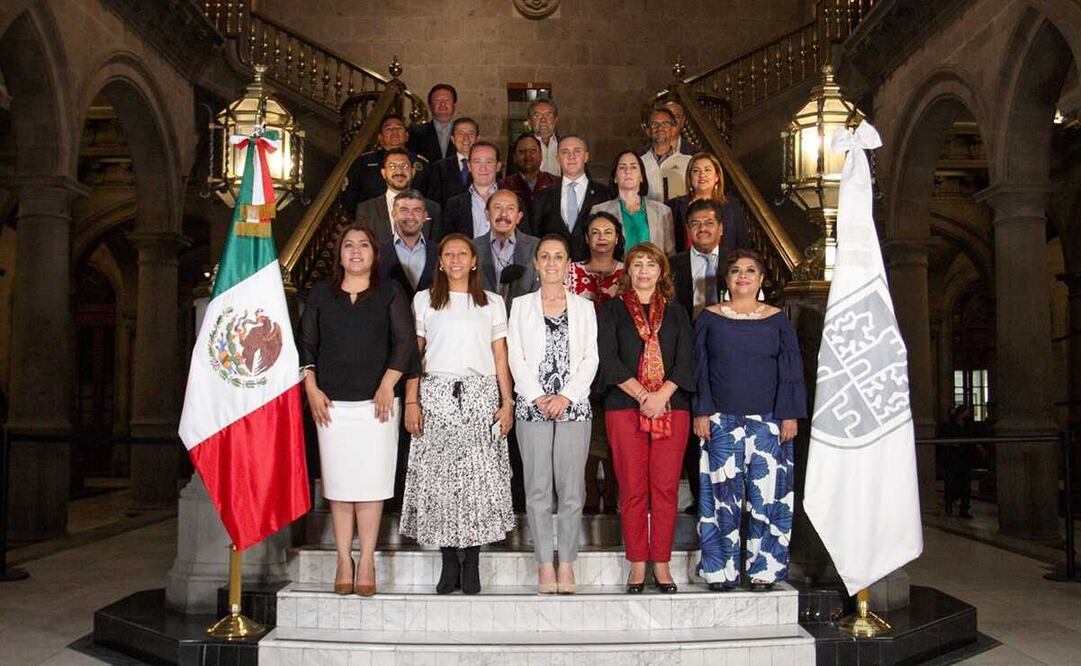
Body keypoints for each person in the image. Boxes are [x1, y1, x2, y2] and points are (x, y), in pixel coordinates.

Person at [299, 221, 419, 596]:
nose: (355, 251)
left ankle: (365, 559)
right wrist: (311, 388)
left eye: (363, 245)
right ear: (339, 254)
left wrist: (387, 384)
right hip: (331, 405)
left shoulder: (390, 293)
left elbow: (404, 344)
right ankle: (342, 558)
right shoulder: (321, 293)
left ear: (374, 253)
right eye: (348, 245)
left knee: (370, 486)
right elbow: (306, 344)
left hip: (377, 405)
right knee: (339, 486)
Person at [400, 234, 516, 595]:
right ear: (439, 261)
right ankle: (449, 561)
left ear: (473, 261)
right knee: (442, 482)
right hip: (436, 393)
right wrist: (411, 400)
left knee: (478, 482)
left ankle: (473, 562)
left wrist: (507, 401)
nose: (454, 260)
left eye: (461, 254)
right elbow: (414, 355)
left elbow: (500, 357)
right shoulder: (424, 301)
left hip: (481, 395)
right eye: (448, 254)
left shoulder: (492, 303)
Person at [693, 249, 806, 592]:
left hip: (769, 424)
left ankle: (765, 569)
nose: (743, 276)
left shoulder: (777, 319)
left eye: (750, 270)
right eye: (736, 271)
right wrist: (701, 411)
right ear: (726, 280)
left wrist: (789, 414)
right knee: (719, 499)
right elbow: (699, 369)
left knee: (769, 500)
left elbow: (790, 369)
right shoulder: (708, 318)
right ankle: (720, 571)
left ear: (760, 279)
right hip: (720, 422)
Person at [598, 242, 694, 594]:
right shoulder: (611, 310)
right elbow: (608, 360)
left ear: (661, 271)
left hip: (672, 404)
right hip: (625, 406)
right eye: (637, 264)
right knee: (633, 488)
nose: (643, 270)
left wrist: (660, 396)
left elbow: (686, 361)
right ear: (628, 270)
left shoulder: (677, 312)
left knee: (666, 488)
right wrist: (642, 396)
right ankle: (637, 563)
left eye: (650, 264)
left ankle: (662, 564)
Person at [508, 234, 598, 594]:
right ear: (535, 262)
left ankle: (567, 564)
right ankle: (545, 564)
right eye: (544, 256)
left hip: (574, 408)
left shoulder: (584, 307)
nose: (550, 263)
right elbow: (515, 356)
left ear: (567, 264)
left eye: (558, 257)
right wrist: (538, 395)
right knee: (538, 488)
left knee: (572, 489)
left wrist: (566, 396)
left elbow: (591, 357)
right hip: (533, 407)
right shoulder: (520, 306)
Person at [564, 211, 625, 515]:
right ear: (586, 238)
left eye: (608, 232)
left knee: (616, 426)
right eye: (595, 232)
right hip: (579, 360)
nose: (602, 238)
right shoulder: (571, 272)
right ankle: (588, 491)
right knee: (583, 427)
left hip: (619, 362)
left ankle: (613, 491)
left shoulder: (629, 273)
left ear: (618, 237)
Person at [670, 198, 726, 515]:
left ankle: (724, 491)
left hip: (727, 357)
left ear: (720, 228)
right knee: (691, 425)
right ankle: (696, 495)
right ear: (687, 230)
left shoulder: (738, 263)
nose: (702, 229)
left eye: (708, 223)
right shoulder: (673, 264)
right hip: (685, 355)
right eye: (695, 224)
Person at [531, 135, 608, 262]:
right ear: (558, 159)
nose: (571, 156)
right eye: (565, 152)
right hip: (554, 272)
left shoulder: (604, 194)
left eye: (577, 151)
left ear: (586, 157)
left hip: (594, 272)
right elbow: (535, 238)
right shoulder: (542, 197)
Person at [590, 150, 675, 255]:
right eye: (622, 167)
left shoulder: (662, 211)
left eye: (633, 167)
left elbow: (670, 253)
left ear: (642, 176)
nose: (628, 171)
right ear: (615, 177)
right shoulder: (599, 211)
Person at [666, 152, 751, 253]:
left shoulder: (732, 206)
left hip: (725, 265)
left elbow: (743, 244)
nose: (702, 175)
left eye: (707, 170)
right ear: (690, 178)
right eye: (696, 171)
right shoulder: (674, 207)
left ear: (717, 177)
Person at [342, 114, 426, 214]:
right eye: (388, 129)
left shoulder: (421, 164)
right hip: (372, 221)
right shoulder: (363, 162)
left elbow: (430, 197)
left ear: (407, 136)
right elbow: (349, 198)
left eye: (399, 128)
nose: (394, 132)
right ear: (380, 138)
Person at [355, 148, 442, 245]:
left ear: (413, 172)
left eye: (404, 166)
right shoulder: (366, 209)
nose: (399, 171)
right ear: (383, 173)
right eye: (392, 166)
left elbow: (435, 248)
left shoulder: (432, 208)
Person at [475, 189, 540, 312]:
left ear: (519, 217)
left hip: (524, 320)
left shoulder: (536, 247)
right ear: (487, 214)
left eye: (510, 209)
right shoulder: (472, 248)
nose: (503, 214)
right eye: (497, 208)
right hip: (483, 321)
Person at [380, 190, 438, 298]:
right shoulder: (378, 253)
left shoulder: (439, 252)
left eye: (417, 210)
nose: (410, 216)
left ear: (425, 216)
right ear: (394, 214)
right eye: (404, 210)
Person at [442, 141, 503, 239]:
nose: (483, 168)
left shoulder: (514, 201)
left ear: (498, 166)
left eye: (489, 162)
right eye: (477, 162)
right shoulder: (454, 205)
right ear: (469, 166)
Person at [423, 117, 480, 210]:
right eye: (460, 133)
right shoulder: (439, 168)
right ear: (453, 139)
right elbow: (434, 203)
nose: (466, 138)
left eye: (471, 133)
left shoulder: (488, 167)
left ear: (477, 138)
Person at [640, 107, 691, 203]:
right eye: (654, 124)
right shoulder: (638, 163)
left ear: (673, 129)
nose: (660, 128)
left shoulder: (688, 162)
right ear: (648, 131)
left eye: (665, 124)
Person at [499, 134, 559, 215]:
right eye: (522, 151)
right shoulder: (503, 186)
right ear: (514, 157)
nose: (528, 156)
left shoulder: (555, 183)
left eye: (533, 151)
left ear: (541, 155)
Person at [408, 83, 458, 164]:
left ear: (454, 105)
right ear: (430, 105)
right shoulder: (415, 133)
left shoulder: (464, 133)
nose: (442, 104)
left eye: (447, 100)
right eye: (437, 100)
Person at [528, 99, 561, 176]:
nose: (543, 120)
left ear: (556, 120)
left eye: (548, 115)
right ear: (529, 121)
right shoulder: (518, 147)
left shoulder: (566, 145)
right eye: (537, 116)